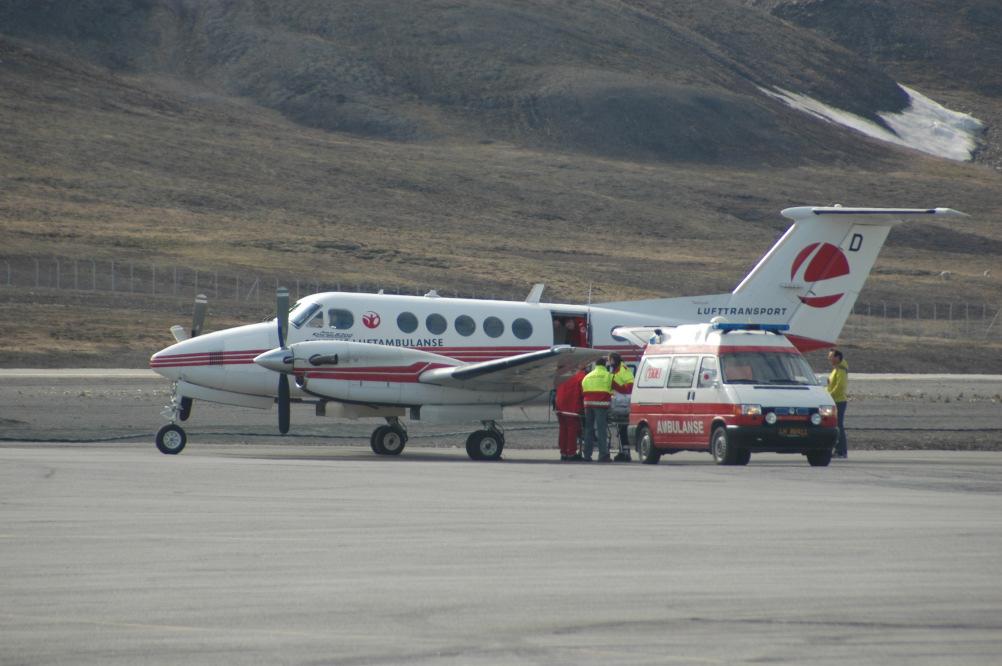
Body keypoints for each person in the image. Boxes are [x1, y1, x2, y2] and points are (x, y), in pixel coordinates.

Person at [581, 357, 614, 462]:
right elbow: (615, 389)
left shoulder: (587, 376)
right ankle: (603, 454)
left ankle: (587, 455)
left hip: (588, 405)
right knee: (601, 431)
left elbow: (583, 389)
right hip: (601, 405)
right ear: (605, 364)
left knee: (588, 430)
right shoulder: (608, 375)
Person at [554, 365, 587, 461]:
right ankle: (571, 453)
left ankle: (563, 452)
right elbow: (583, 392)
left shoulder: (562, 375)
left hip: (560, 405)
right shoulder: (580, 376)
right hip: (572, 406)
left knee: (563, 429)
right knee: (572, 430)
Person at [608, 352, 634, 462]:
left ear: (613, 360)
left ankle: (625, 453)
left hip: (623, 403)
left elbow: (629, 388)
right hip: (619, 403)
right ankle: (623, 452)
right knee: (621, 428)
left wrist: (615, 385)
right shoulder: (616, 370)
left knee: (623, 428)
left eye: (609, 360)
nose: (608, 363)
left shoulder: (623, 370)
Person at [827, 349, 849, 458]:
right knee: (836, 425)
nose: (829, 359)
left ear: (837, 358)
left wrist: (829, 395)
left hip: (838, 401)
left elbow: (840, 387)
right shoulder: (836, 369)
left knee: (838, 426)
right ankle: (838, 450)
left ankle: (841, 451)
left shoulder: (841, 370)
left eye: (831, 356)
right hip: (835, 400)